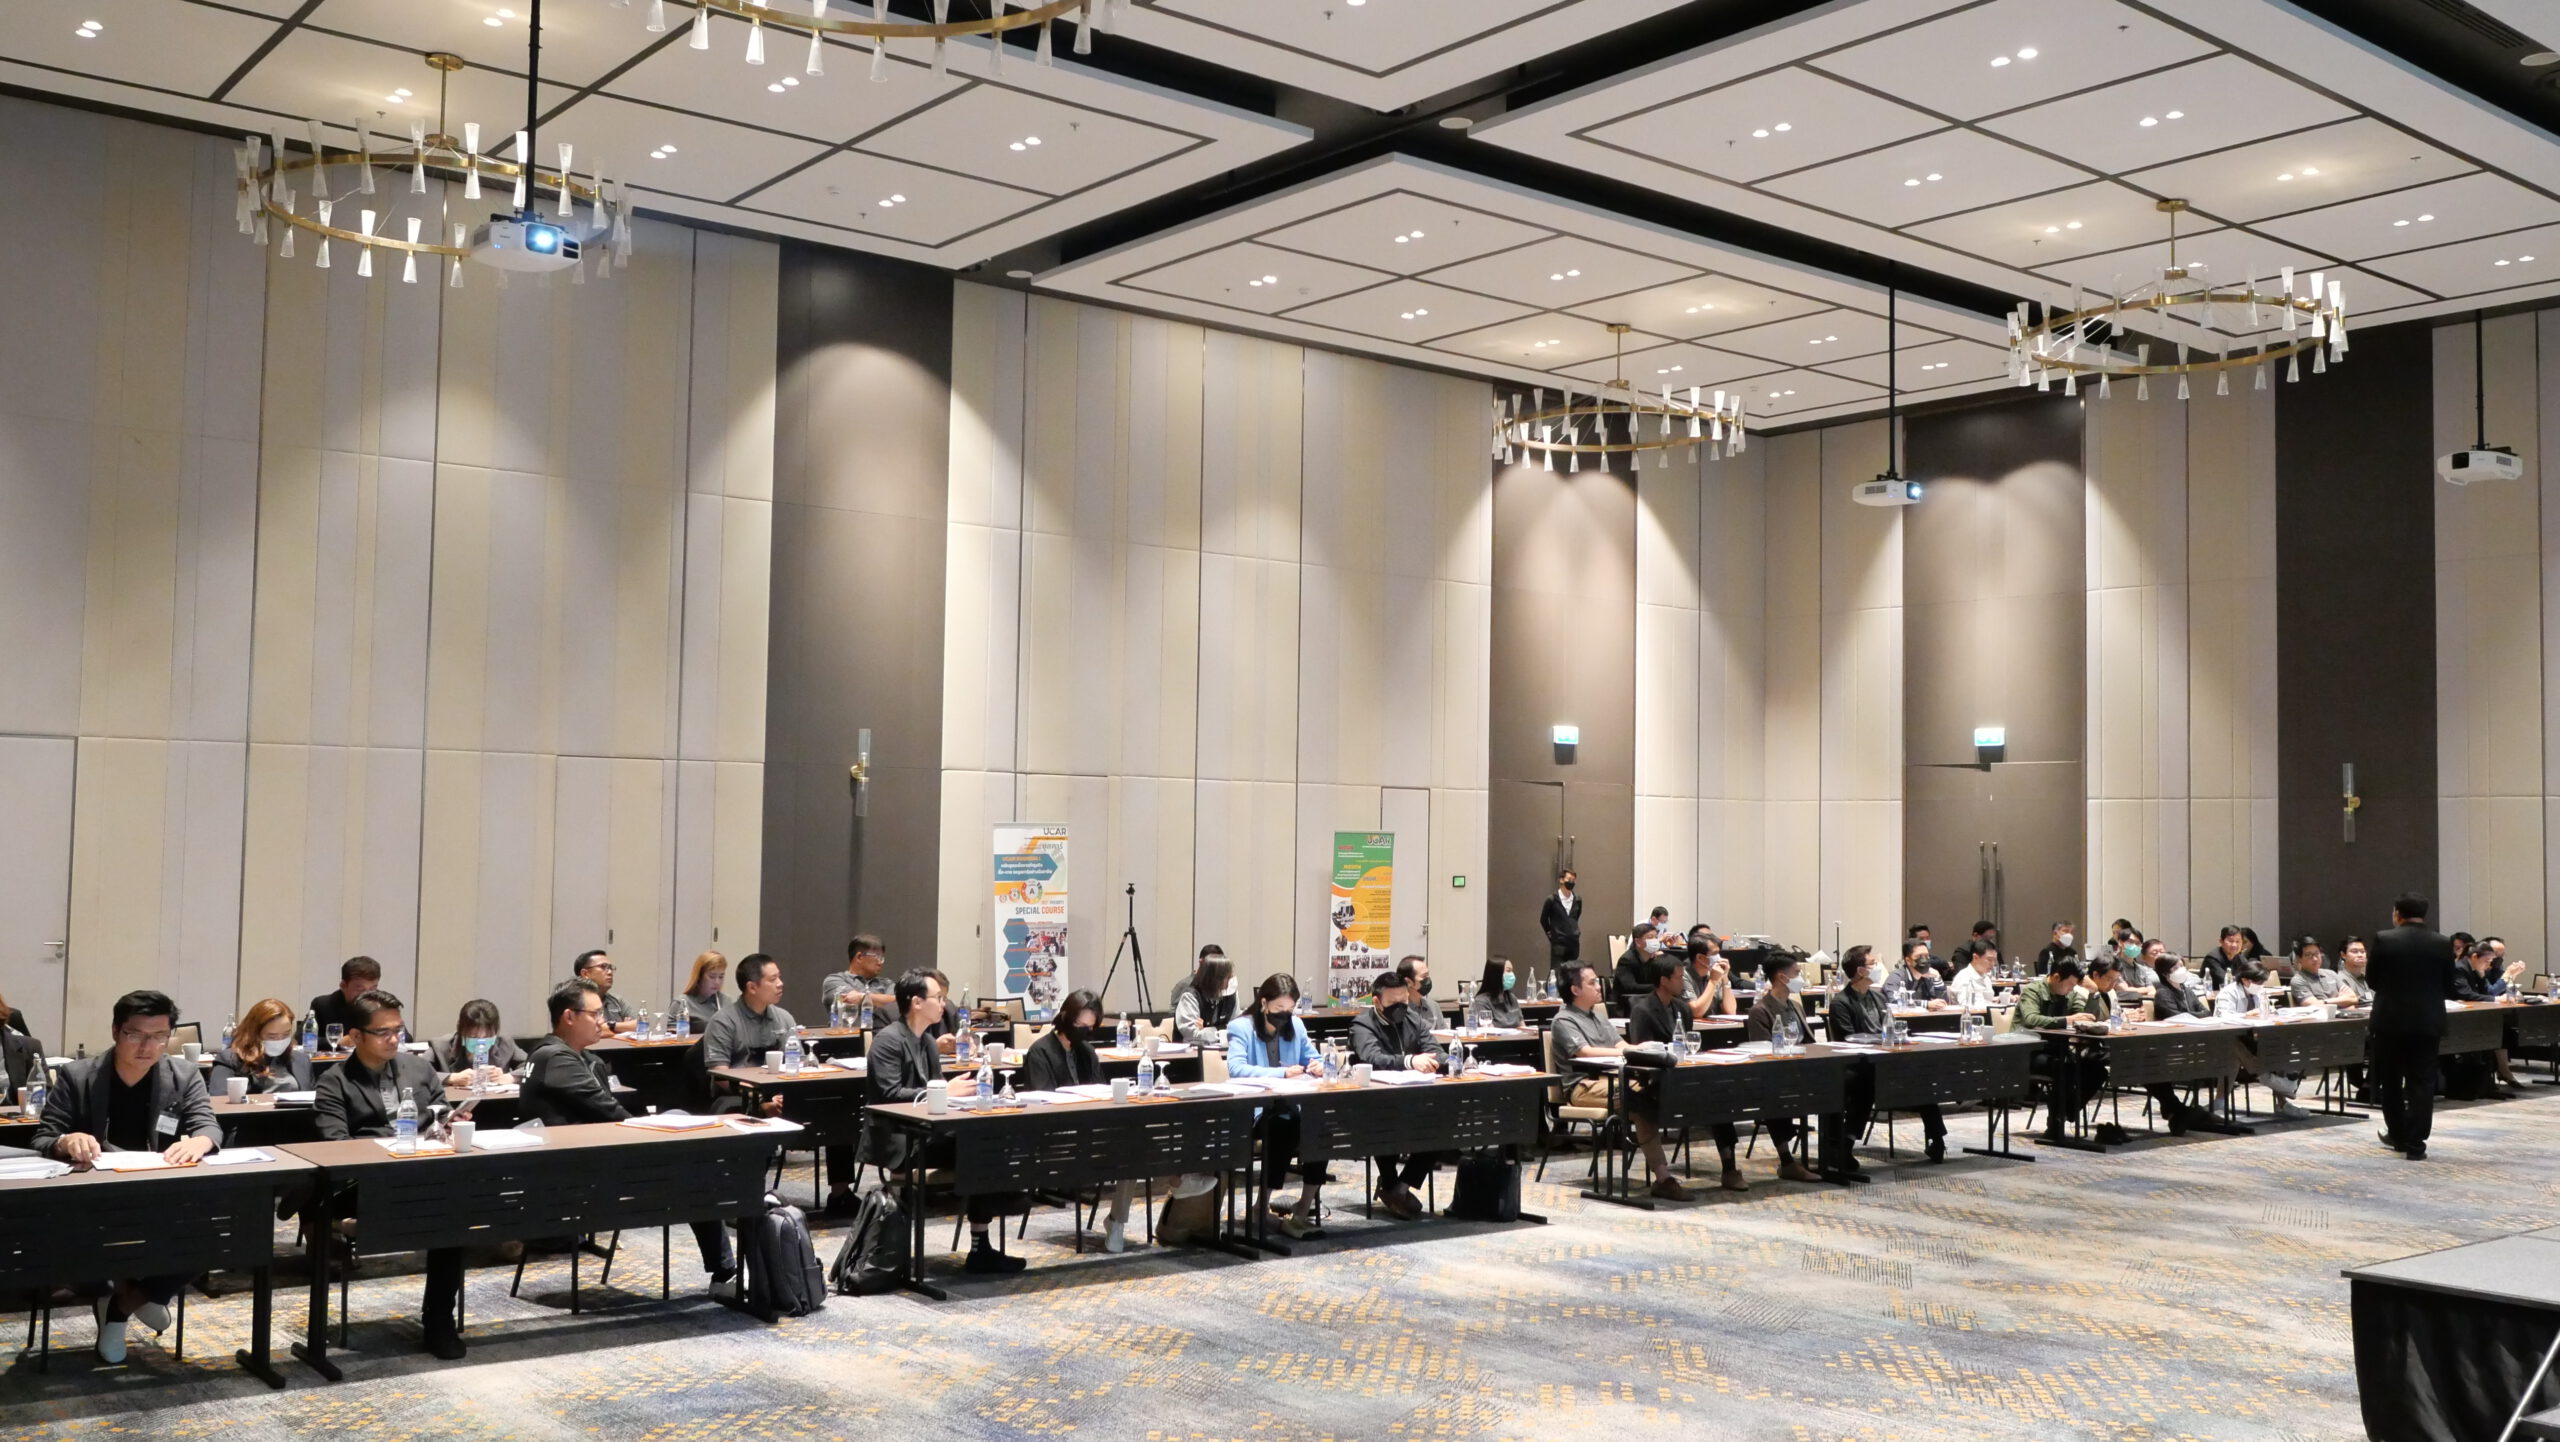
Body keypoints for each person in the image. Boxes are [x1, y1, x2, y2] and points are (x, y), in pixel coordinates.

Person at [518, 978, 743, 1296]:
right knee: (696, 1173)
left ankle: (728, 1263)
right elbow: (610, 1112)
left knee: (690, 1154)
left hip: (594, 1163)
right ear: (569, 1017)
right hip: (576, 1178)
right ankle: (727, 1269)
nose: (602, 1022)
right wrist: (648, 1128)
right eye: (595, 1014)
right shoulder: (556, 1058)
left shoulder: (575, 1057)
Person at [33, 990, 220, 1363]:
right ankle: (128, 1294)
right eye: (136, 1035)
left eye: (159, 1036)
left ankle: (122, 1305)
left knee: (216, 1234)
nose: (148, 1047)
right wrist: (67, 1140)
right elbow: (42, 1137)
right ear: (117, 1031)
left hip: (159, 1193)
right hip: (93, 1197)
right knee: (67, 1241)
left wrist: (202, 1140)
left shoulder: (183, 1075)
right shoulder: (78, 1076)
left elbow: (208, 1125)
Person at [312, 989, 465, 1357]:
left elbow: (441, 1110)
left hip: (423, 1173)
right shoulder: (334, 1081)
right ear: (356, 1036)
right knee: (444, 1208)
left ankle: (438, 1320)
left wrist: (450, 1122)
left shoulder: (418, 1068)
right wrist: (393, 1144)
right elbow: (336, 1144)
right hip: (365, 1183)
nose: (394, 1039)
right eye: (383, 1032)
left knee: (454, 1211)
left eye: (399, 1030)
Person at [862, 969, 1024, 1273]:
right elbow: (889, 1095)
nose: (943, 1004)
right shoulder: (887, 1041)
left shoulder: (926, 1041)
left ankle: (981, 1244)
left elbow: (939, 1093)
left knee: (987, 1144)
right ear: (916, 1003)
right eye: (938, 998)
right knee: (980, 1149)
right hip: (898, 1138)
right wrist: (943, 1091)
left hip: (927, 1131)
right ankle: (980, 1243)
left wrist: (958, 1099)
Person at [1556, 961, 1730, 1194]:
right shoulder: (1564, 1020)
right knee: (1639, 1102)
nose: (1599, 986)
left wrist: (1640, 1049)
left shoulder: (1597, 1016)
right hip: (1583, 1087)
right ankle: (1663, 1178)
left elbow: (1620, 1044)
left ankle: (1670, 1172)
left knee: (1654, 1090)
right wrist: (1630, 1051)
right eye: (1592, 982)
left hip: (1615, 1078)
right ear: (1575, 990)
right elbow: (1585, 1052)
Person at [1018, 988, 1141, 1250]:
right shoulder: (1040, 1052)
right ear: (1065, 1017)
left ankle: (1117, 1221)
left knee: (1133, 1145)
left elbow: (1101, 1090)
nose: (1083, 1031)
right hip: (1056, 1136)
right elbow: (1043, 1101)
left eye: (1089, 1027)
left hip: (1091, 1130)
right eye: (1079, 1025)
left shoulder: (1086, 1051)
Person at [1224, 973, 1329, 1237]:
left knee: (1322, 1126)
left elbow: (1315, 1059)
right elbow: (1236, 1068)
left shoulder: (1297, 1026)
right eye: (1279, 1008)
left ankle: (1303, 1206)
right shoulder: (1241, 1027)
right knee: (1284, 1125)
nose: (1285, 1014)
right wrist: (1281, 1073)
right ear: (1264, 1003)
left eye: (1290, 1009)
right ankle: (1261, 1206)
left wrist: (1319, 1066)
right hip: (1257, 1110)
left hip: (1293, 1103)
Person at [1831, 946, 1947, 1165]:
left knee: (1922, 1078)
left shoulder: (1877, 997)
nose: (1878, 967)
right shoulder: (1841, 1002)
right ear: (1860, 971)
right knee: (1865, 1085)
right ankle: (1845, 1146)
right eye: (1873, 963)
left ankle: (1937, 1140)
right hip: (1858, 1065)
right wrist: (1880, 1041)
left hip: (1886, 1060)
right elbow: (1848, 1039)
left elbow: (1890, 1026)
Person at [1348, 970, 1447, 1219]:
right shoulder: (1362, 1025)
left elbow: (1435, 1050)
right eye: (1394, 1003)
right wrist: (1409, 1061)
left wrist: (1444, 1061)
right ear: (1377, 1001)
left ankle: (1399, 1188)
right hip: (1374, 1103)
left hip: (1415, 1099)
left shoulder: (1413, 1018)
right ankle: (1390, 1182)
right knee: (1386, 1121)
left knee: (1442, 1122)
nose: (1401, 1007)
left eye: (1404, 1001)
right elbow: (1373, 1057)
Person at [2370, 894, 2455, 1160]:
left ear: (2397, 913)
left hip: (2390, 1021)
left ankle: (2398, 1136)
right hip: (2428, 1022)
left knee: (2391, 1080)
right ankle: (2417, 1144)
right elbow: (2449, 985)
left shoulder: (2384, 938)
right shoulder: (2442, 942)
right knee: (2422, 1081)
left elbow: (2372, 980)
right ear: (2425, 914)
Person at [1611, 958, 1703, 1200]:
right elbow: (1641, 1054)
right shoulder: (1643, 1010)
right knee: (1642, 1105)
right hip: (1653, 1080)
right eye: (1679, 977)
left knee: (1717, 1092)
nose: (1683, 982)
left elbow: (1688, 1043)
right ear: (1663, 980)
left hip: (1679, 1074)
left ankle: (1729, 1165)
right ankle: (1663, 1178)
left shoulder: (1682, 1008)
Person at [1742, 957, 1823, 1183]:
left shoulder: (1795, 1006)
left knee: (1840, 1083)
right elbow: (1764, 1051)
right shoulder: (1760, 1011)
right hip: (1776, 1075)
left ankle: (1836, 1151)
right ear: (1782, 977)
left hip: (1803, 1069)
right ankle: (1787, 1161)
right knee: (1776, 1092)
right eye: (1797, 973)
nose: (1801, 978)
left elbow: (1808, 1042)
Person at [2016, 959, 2111, 1143]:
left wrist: (2093, 994)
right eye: (2070, 985)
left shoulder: (2070, 994)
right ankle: (2055, 1123)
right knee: (2064, 1069)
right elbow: (2031, 1019)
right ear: (2057, 977)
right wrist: (2067, 1020)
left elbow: (2086, 1018)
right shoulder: (2033, 991)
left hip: (2058, 1050)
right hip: (2029, 1052)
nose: (2071, 989)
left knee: (2097, 1071)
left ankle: (2067, 1112)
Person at [2451, 937, 2529, 1094]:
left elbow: (2484, 991)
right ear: (2475, 957)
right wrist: (2497, 999)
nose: (2489, 965)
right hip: (2459, 1018)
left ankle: (2490, 1081)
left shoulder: (2477, 969)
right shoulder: (2460, 968)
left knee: (2504, 1033)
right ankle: (2485, 1081)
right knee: (2494, 1033)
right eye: (2487, 961)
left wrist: (2481, 976)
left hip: (2477, 1016)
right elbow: (2467, 994)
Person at [209, 997, 315, 1095]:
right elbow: (220, 1100)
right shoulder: (230, 1059)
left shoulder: (301, 1060)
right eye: (272, 1036)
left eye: (286, 1034)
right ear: (254, 1034)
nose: (279, 1040)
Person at [428, 998, 525, 1081]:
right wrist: (451, 1078)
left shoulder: (505, 1043)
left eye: (487, 1036)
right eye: (473, 1037)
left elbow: (530, 1067)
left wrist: (510, 1077)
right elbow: (420, 1072)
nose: (481, 1042)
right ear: (461, 1031)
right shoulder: (440, 1046)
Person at [1170, 948, 1238, 1044]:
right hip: (1191, 1052)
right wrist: (1222, 1032)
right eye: (1228, 977)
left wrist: (1206, 1030)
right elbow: (1193, 1035)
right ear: (1215, 979)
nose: (1230, 981)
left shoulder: (1231, 995)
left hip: (1224, 1049)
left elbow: (1237, 1028)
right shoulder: (1190, 996)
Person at [309, 955, 382, 1041]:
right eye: (360, 989)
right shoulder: (323, 1005)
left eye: (372, 989)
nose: (367, 994)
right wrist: (339, 1042)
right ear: (343, 985)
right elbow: (304, 1038)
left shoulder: (382, 1006)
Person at [819, 934, 893, 1019]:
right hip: (849, 1028)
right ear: (859, 957)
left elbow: (898, 1004)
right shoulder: (834, 981)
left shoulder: (887, 984)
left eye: (882, 958)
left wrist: (862, 997)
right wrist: (882, 1000)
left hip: (884, 1028)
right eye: (877, 956)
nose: (880, 962)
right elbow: (850, 1001)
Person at [571, 950, 636, 1033]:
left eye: (610, 968)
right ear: (585, 974)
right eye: (603, 967)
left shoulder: (617, 1000)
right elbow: (586, 1032)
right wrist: (623, 1027)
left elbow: (639, 1026)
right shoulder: (573, 1000)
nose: (610, 972)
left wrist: (611, 1026)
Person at [1538, 869, 1584, 978]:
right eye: (1569, 879)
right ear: (1561, 880)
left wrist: (1572, 930)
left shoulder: (1577, 900)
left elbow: (1575, 917)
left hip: (1573, 943)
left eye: (1574, 880)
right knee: (1556, 973)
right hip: (1559, 943)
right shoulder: (1552, 900)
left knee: (1572, 974)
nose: (1571, 882)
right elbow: (1543, 919)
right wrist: (1552, 934)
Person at [1680, 939, 1737, 1023]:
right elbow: (1696, 1012)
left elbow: (1731, 1011)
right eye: (1714, 954)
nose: (1719, 958)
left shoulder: (1716, 973)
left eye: (1718, 953)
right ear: (1700, 957)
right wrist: (1713, 981)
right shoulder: (1682, 976)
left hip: (1715, 1027)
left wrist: (1725, 977)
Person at [1887, 938, 1949, 1006]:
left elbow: (1943, 1002)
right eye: (1919, 956)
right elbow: (1895, 1000)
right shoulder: (1896, 976)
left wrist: (1937, 978)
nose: (1924, 959)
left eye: (1926, 955)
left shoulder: (1930, 977)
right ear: (1908, 961)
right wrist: (1926, 1004)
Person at [676, 949, 728, 1030]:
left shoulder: (729, 1002)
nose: (717, 982)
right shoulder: (682, 1003)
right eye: (712, 977)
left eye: (721, 977)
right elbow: (672, 1035)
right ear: (699, 976)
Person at [1613, 923, 1663, 1006]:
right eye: (1650, 937)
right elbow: (1630, 987)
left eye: (1656, 937)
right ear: (1638, 942)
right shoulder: (1626, 960)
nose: (1655, 941)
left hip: (1647, 1001)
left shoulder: (1654, 958)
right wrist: (1658, 987)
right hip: (1626, 1004)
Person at [1468, 958, 1525, 1029]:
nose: (1512, 975)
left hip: (1519, 1036)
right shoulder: (1481, 1001)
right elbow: (1488, 1030)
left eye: (1512, 971)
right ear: (1496, 975)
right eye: (1508, 971)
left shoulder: (1512, 998)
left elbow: (1522, 1026)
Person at [2289, 937, 2346, 1006]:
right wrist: (2341, 999)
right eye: (2309, 955)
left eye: (2317, 953)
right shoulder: (2298, 980)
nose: (2315, 959)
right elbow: (2315, 1005)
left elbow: (2353, 998)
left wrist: (2324, 1001)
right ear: (2299, 959)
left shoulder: (2331, 974)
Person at [2153, 951, 2211, 1019]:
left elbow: (2207, 1013)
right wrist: (2195, 1015)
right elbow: (2177, 1017)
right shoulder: (2163, 994)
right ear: (2165, 973)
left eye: (2181, 966)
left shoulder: (2187, 990)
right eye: (2175, 968)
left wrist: (2187, 1014)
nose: (2181, 970)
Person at [1950, 941, 2001, 1012]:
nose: (1993, 964)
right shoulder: (1964, 977)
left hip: (1985, 1014)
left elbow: (1985, 1000)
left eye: (1994, 960)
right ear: (1975, 957)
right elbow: (1966, 1005)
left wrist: (1999, 999)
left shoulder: (1985, 977)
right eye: (1989, 959)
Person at [2336, 935, 2376, 1008]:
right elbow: (2348, 1006)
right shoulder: (2340, 979)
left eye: (2363, 951)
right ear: (2343, 955)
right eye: (2355, 951)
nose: (2360, 955)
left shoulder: (2367, 978)